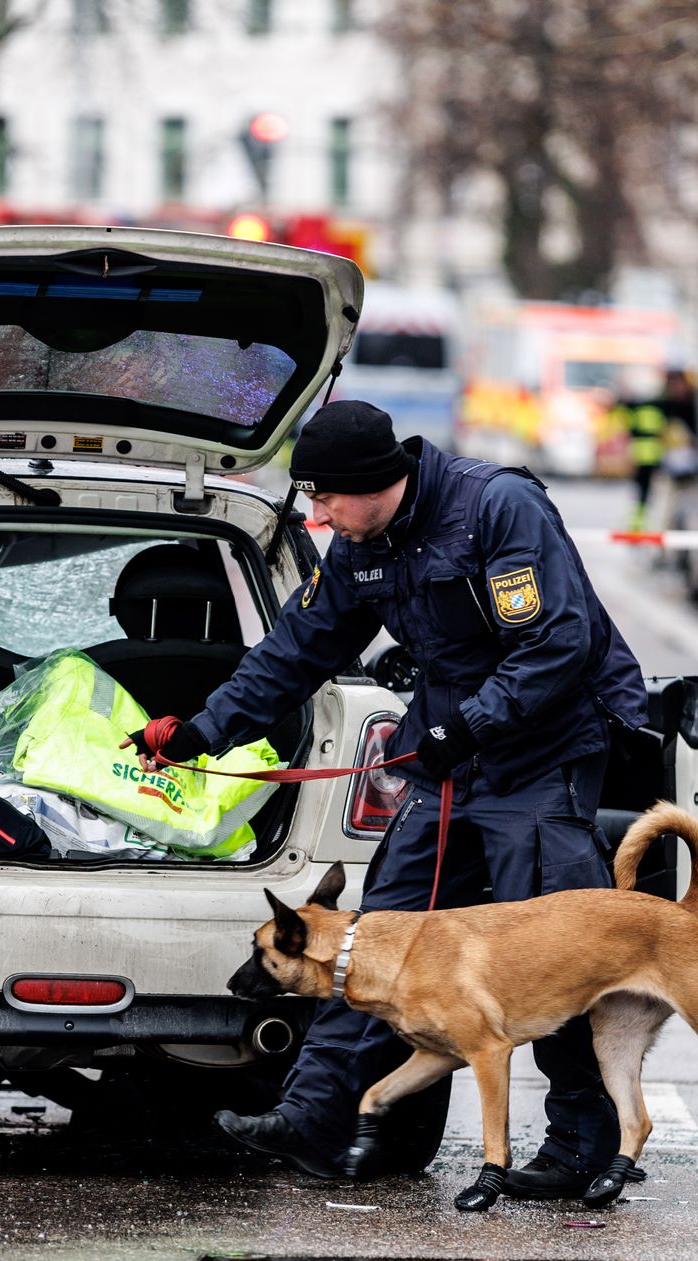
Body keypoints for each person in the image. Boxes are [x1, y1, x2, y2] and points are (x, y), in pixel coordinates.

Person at [129, 399, 650, 1198]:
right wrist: (204, 731)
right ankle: (312, 1117)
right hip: (449, 764)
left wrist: (468, 727)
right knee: (363, 944)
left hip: (540, 759)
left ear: (376, 483)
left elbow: (557, 641)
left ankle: (580, 1142)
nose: (317, 514)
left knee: (551, 956)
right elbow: (298, 647)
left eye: (326, 498)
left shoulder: (495, 508)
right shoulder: (360, 544)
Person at [621, 371, 695, 532]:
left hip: (641, 455)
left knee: (643, 493)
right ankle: (652, 527)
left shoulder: (634, 406)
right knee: (661, 495)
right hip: (659, 456)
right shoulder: (663, 405)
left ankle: (638, 526)